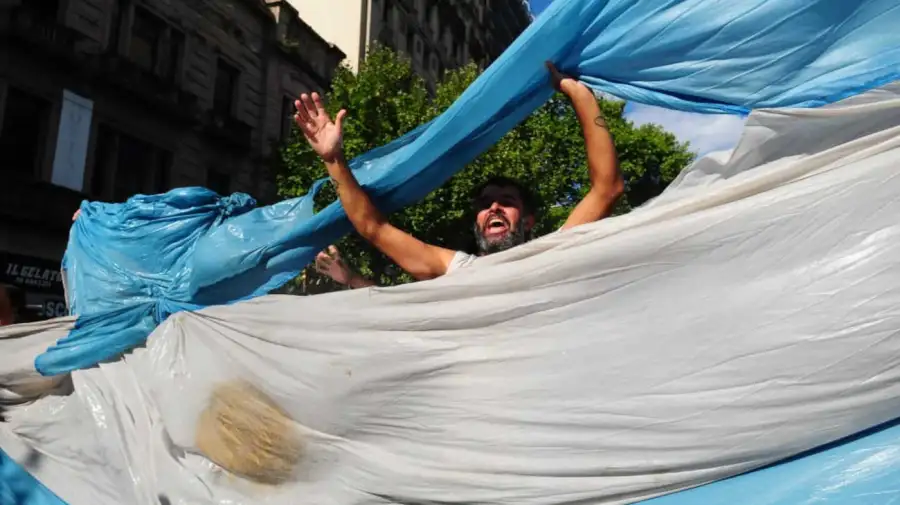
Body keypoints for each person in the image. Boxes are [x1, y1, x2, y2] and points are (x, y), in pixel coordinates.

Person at [297, 61, 623, 285]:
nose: (493, 208)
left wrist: (578, 93)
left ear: (528, 221)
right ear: (476, 222)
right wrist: (333, 159)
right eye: (485, 204)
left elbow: (607, 189)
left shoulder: (550, 257)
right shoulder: (457, 269)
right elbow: (374, 227)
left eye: (507, 201)